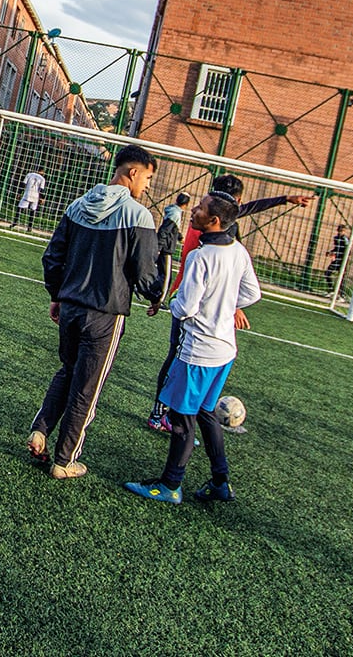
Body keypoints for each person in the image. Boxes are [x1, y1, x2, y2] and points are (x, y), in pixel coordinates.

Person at [27, 144, 161, 478]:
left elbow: (52, 257)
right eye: (147, 177)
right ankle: (64, 460)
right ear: (132, 172)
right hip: (104, 314)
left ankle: (40, 429)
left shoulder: (77, 205)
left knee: (68, 371)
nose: (147, 186)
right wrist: (157, 293)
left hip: (70, 307)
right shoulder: (138, 215)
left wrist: (57, 295)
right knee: (87, 387)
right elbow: (145, 274)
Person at [124, 193, 261, 506]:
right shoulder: (238, 251)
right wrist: (225, 307)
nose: (194, 211)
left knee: (183, 419)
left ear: (213, 221)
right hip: (225, 350)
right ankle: (220, 481)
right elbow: (252, 292)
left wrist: (169, 301)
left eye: (200, 208)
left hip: (199, 351)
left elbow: (185, 307)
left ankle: (170, 485)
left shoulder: (202, 257)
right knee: (206, 413)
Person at [146, 173, 310, 430]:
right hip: (194, 305)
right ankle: (163, 415)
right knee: (178, 359)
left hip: (199, 302)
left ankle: (177, 416)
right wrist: (230, 304)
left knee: (184, 363)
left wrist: (285, 199)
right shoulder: (217, 228)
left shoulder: (214, 223)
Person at [324, 224, 349, 304]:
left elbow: (347, 250)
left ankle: (342, 296)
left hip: (342, 260)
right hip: (337, 260)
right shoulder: (336, 238)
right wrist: (331, 252)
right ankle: (331, 290)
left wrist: (342, 256)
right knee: (327, 273)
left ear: (345, 231)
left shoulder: (345, 239)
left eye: (342, 231)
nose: (340, 232)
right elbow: (336, 248)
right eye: (339, 231)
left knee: (341, 277)